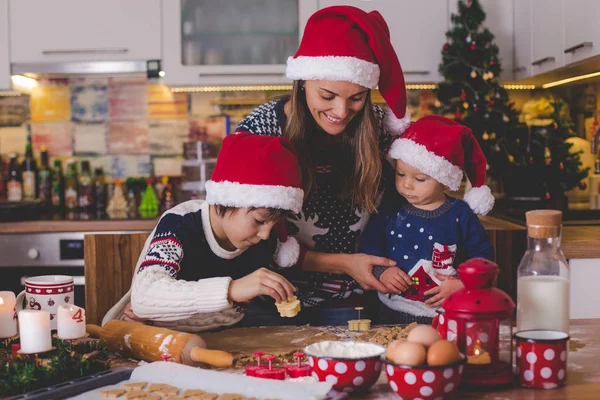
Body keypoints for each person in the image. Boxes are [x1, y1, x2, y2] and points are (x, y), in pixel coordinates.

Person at [236, 5, 412, 325]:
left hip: (357, 299)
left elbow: (406, 202)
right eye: (327, 95)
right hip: (274, 301)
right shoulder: (261, 130)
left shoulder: (380, 128)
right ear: (303, 81)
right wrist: (344, 263)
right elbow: (241, 234)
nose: (342, 111)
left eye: (356, 98)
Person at [102, 133, 304, 332]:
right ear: (226, 201)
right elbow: (144, 296)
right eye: (259, 220)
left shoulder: (263, 240)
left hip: (218, 340)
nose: (266, 234)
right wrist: (232, 289)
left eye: (274, 223)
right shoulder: (180, 224)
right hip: (142, 336)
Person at [359, 115, 496, 324]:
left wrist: (463, 283)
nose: (407, 185)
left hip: (444, 316)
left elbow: (483, 258)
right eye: (401, 174)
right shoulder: (390, 208)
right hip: (391, 313)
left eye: (420, 179)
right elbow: (369, 246)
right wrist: (382, 271)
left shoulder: (460, 214)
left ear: (443, 180)